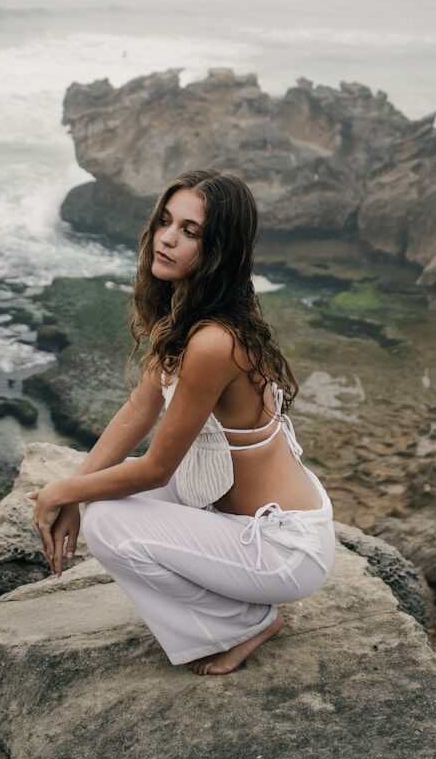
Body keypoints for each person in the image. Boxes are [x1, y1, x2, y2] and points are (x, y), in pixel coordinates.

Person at [26, 168, 336, 675]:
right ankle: (239, 616)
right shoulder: (189, 312)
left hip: (281, 547)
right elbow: (139, 408)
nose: (166, 239)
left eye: (190, 231)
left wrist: (63, 492)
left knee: (108, 520)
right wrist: (79, 486)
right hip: (238, 512)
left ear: (219, 249)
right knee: (103, 499)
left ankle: (244, 622)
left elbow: (155, 470)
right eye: (165, 222)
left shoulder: (214, 341)